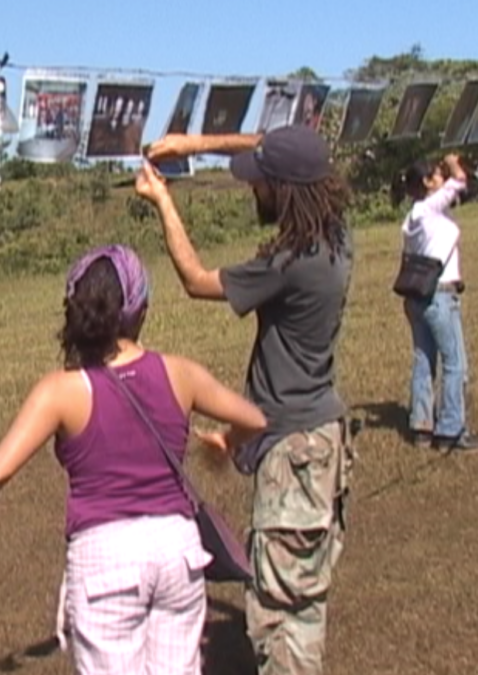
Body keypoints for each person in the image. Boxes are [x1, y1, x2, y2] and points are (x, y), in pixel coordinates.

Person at [0, 245, 267, 674]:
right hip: (176, 549)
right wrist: (226, 440)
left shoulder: (60, 390)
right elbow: (254, 418)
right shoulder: (179, 373)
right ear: (142, 309)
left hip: (105, 556)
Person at [142, 125, 356, 675]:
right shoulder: (335, 235)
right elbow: (277, 141)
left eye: (259, 182)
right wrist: (189, 146)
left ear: (282, 189)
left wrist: (163, 199)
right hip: (320, 440)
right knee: (303, 595)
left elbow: (194, 279)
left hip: (294, 452)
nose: (251, 189)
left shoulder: (291, 263)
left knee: (282, 613)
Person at [398, 154, 478, 453]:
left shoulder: (413, 217)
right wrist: (453, 163)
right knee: (454, 363)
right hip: (440, 294)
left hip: (417, 296)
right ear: (426, 182)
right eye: (436, 175)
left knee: (424, 360)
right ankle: (451, 429)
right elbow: (459, 182)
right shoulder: (429, 208)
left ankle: (421, 425)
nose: (443, 177)